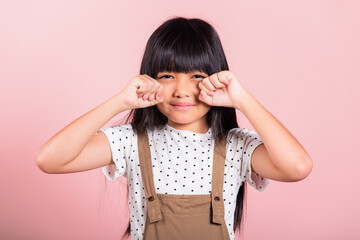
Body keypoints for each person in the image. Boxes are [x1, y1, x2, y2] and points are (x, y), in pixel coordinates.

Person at [35, 17, 313, 240]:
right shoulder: (130, 140)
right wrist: (119, 101)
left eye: (197, 77)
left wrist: (242, 100)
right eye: (167, 75)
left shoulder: (237, 145)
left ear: (218, 79)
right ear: (148, 77)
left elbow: (298, 167)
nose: (182, 91)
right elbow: (50, 159)